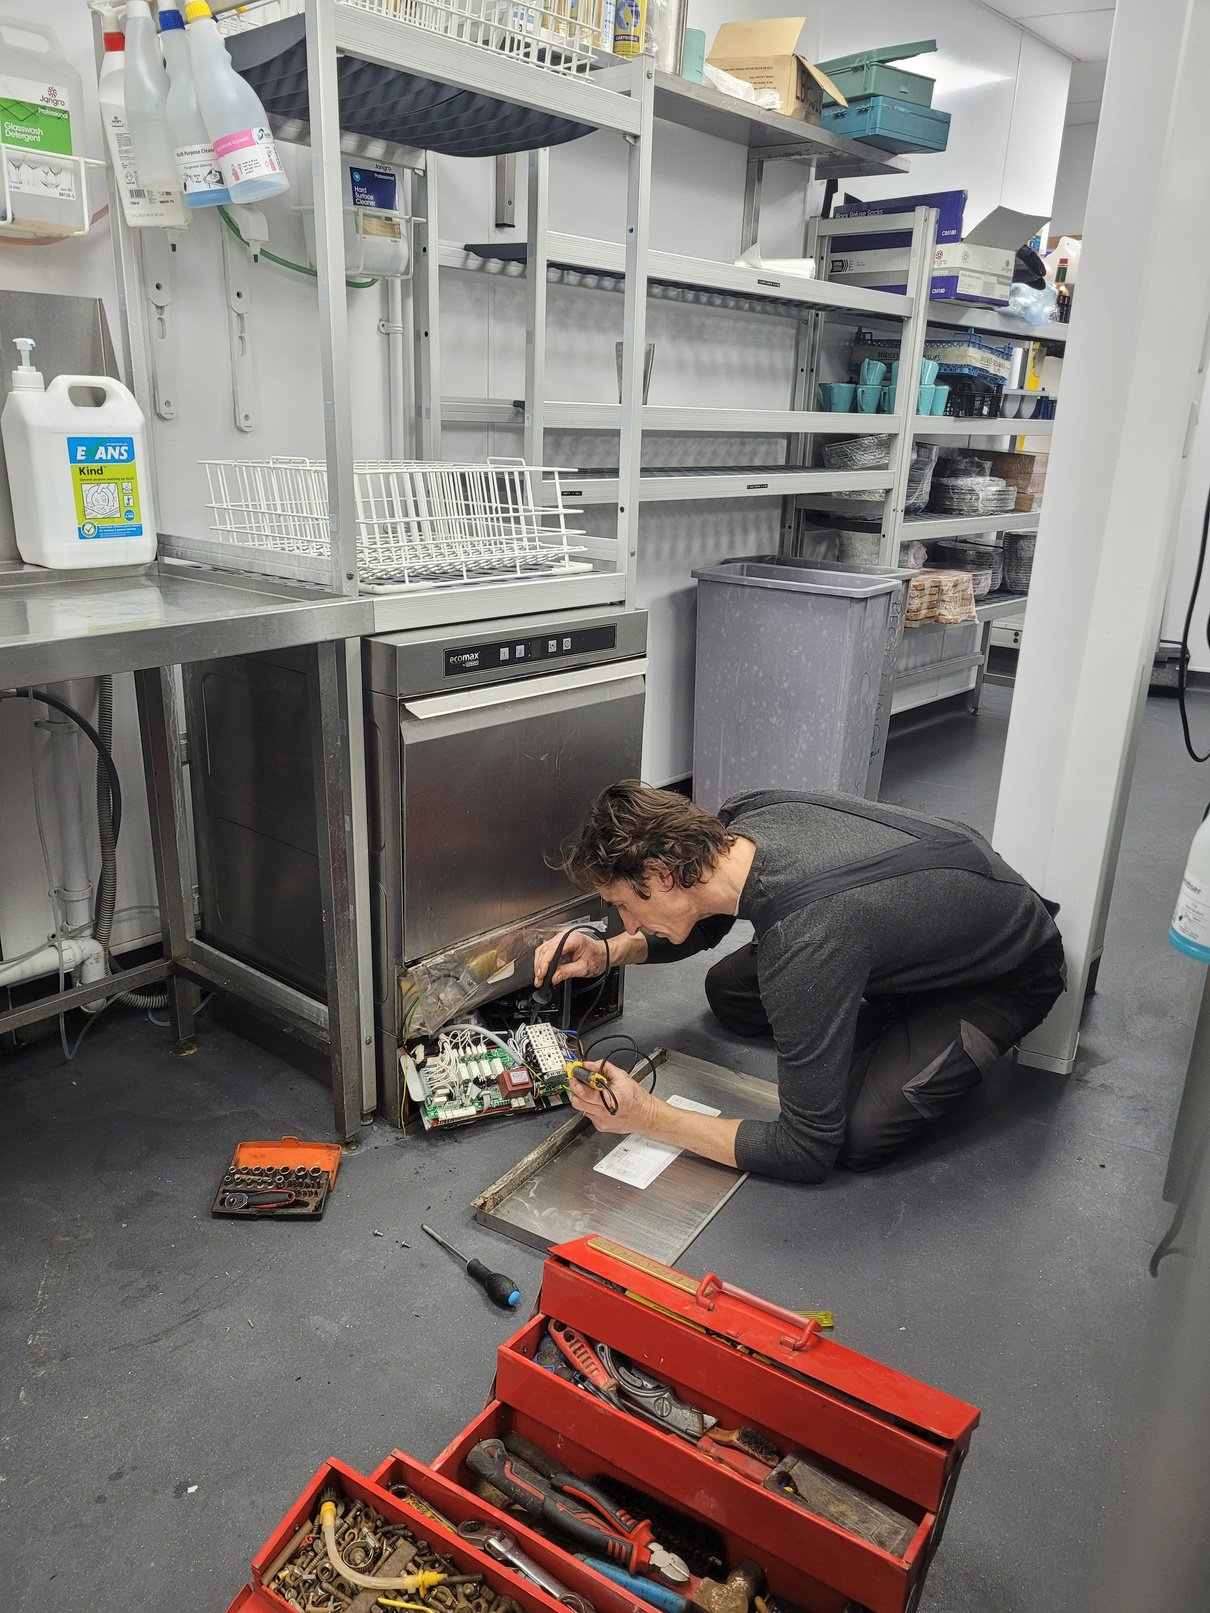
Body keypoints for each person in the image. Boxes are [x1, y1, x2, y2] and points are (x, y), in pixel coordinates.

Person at [533, 782, 1065, 1183]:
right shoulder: (743, 819)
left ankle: (911, 1020)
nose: (625, 922)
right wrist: (610, 952)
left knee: (855, 1139)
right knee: (730, 991)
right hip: (924, 909)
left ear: (662, 874)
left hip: (1003, 972)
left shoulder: (805, 944)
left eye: (626, 907)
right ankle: (864, 1002)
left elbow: (805, 1150)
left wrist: (646, 1115)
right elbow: (705, 914)